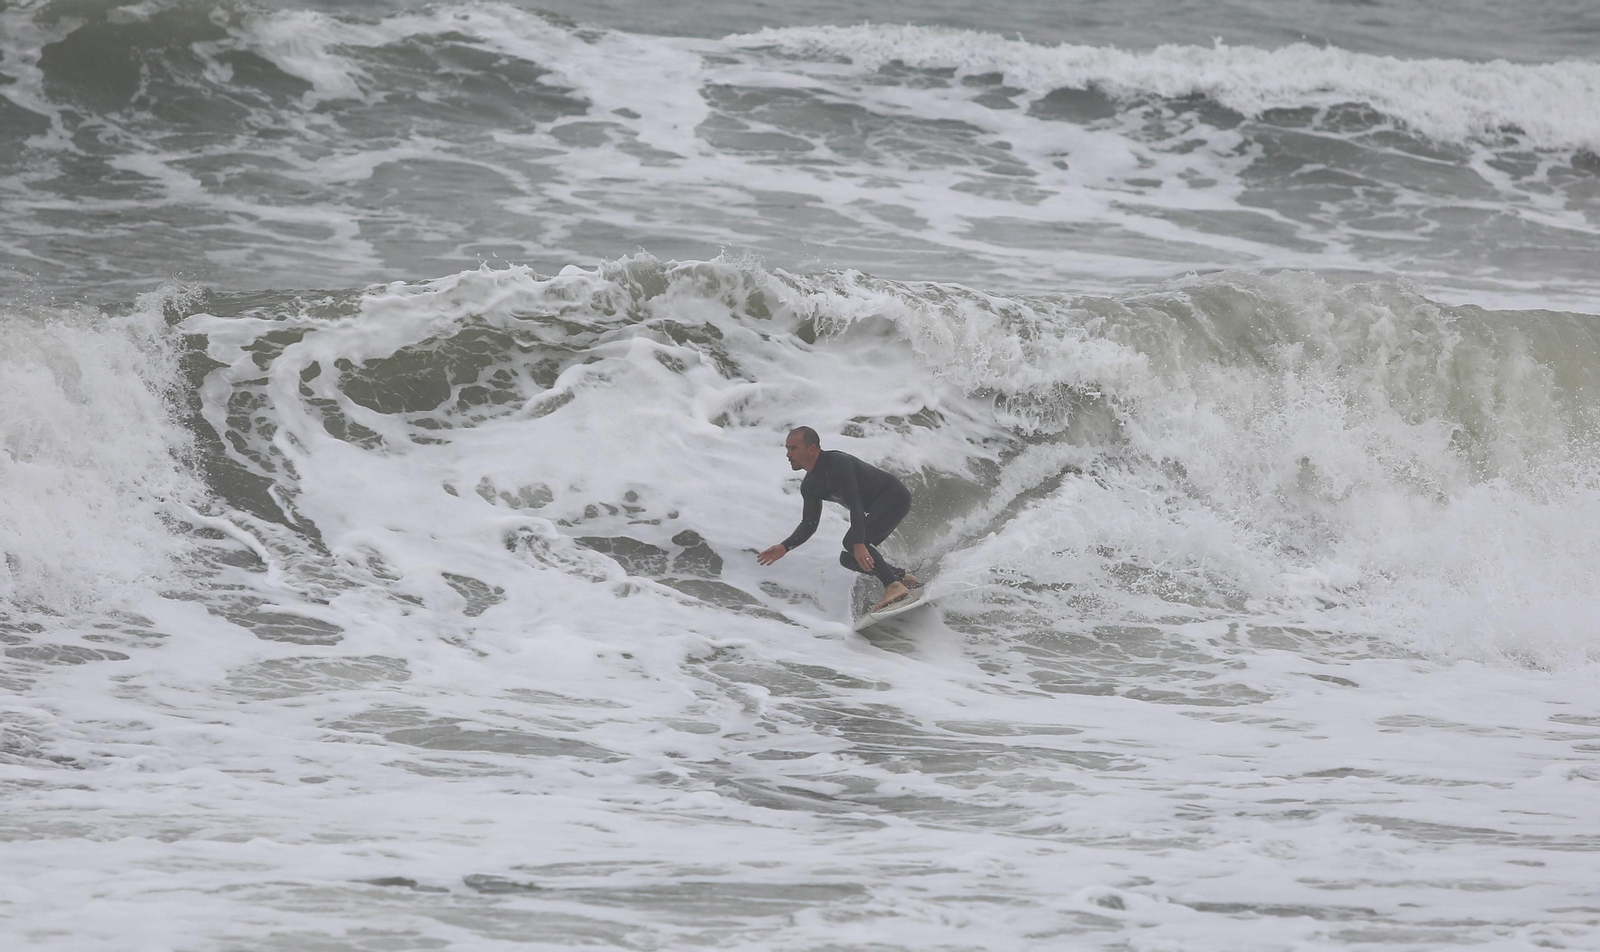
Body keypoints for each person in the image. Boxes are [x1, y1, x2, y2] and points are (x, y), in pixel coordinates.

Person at [756, 426, 918, 612]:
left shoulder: (837, 463)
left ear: (812, 448)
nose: (788, 454)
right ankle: (901, 578)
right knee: (848, 559)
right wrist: (785, 546)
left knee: (852, 543)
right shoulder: (809, 486)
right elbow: (809, 523)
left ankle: (893, 586)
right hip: (874, 508)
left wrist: (858, 542)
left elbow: (855, 503)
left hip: (893, 497)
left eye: (793, 448)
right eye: (787, 448)